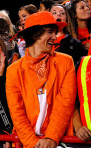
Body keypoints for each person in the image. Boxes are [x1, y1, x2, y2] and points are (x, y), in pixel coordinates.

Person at [6, 11, 76, 148]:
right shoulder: (13, 70)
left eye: (55, 32)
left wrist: (51, 138)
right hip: (28, 143)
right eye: (50, 32)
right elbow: (17, 112)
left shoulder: (66, 62)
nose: (55, 37)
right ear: (34, 34)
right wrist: (32, 144)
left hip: (59, 141)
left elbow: (65, 104)